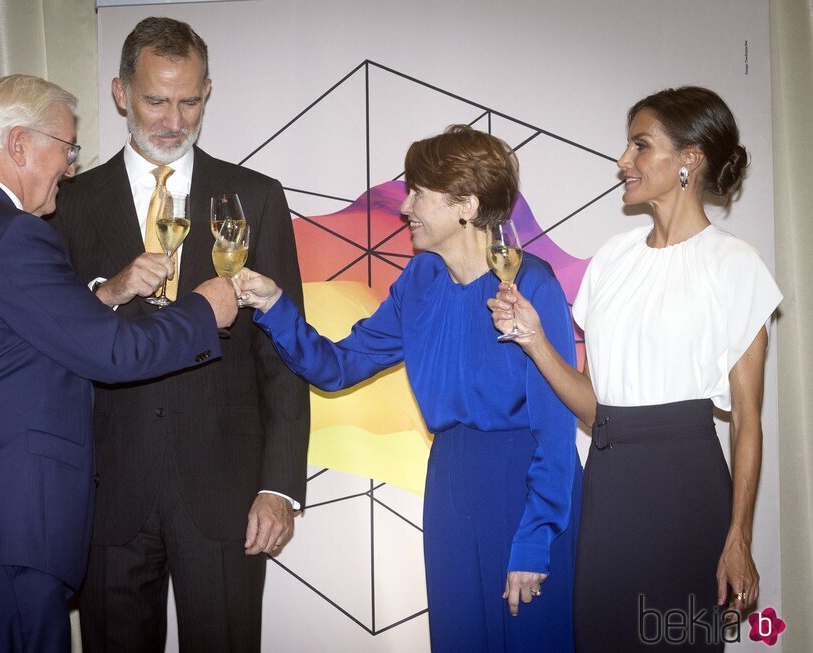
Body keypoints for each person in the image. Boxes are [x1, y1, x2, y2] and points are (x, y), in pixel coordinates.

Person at [0, 74, 238, 652]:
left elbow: (8, 345)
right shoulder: (11, 234)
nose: (70, 167)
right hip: (2, 539)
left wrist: (104, 298)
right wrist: (204, 308)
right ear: (20, 144)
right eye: (67, 148)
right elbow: (114, 353)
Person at [235, 125, 581, 652]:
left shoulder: (531, 283)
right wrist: (273, 305)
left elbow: (556, 432)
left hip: (527, 491)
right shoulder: (418, 282)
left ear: (466, 204)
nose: (406, 207)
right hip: (450, 489)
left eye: (420, 192)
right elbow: (337, 366)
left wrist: (535, 540)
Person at [489, 86, 782, 651]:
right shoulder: (613, 260)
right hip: (609, 488)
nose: (623, 161)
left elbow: (748, 420)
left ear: (688, 160)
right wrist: (535, 341)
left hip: (685, 488)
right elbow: (599, 407)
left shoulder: (736, 265)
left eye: (640, 146)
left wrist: (738, 536)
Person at [49, 16, 309, 652]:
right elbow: (53, 345)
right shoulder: (66, 204)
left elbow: (284, 351)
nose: (173, 120)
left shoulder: (256, 197)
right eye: (155, 100)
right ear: (120, 94)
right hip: (107, 493)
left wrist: (278, 487)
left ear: (208, 92)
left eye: (189, 101)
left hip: (225, 492)